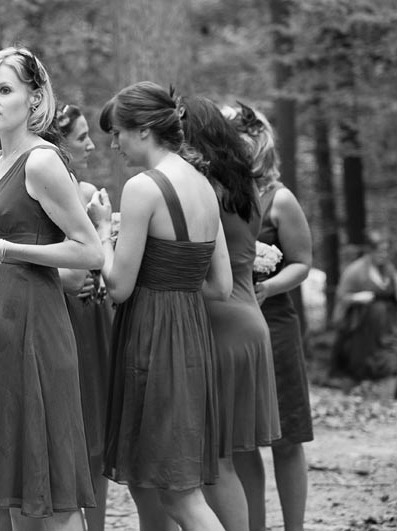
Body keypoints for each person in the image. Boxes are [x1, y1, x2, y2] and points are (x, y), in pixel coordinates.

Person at [0, 47, 103, 531]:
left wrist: (4, 250)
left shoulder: (41, 161)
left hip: (35, 332)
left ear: (34, 98)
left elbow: (90, 252)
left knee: (48, 492)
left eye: (4, 90)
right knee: (5, 491)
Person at [87, 81, 231, 531]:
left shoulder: (142, 188)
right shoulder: (203, 184)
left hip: (153, 340)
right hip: (191, 334)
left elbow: (119, 288)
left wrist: (98, 233)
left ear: (145, 130)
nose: (114, 145)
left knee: (179, 497)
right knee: (152, 484)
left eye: (120, 134)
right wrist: (173, 286)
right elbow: (220, 285)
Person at [181, 96, 281, 531]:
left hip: (217, 323)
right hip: (248, 320)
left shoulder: (205, 191)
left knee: (215, 456)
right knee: (239, 450)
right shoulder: (247, 187)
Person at [224, 102, 314, 531]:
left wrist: (270, 286)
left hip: (275, 322)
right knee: (243, 439)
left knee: (287, 437)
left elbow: (302, 262)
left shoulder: (280, 198)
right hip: (234, 325)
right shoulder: (219, 195)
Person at [57, 103, 112, 531]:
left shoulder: (89, 192)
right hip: (50, 317)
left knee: (93, 436)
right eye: (81, 137)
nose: (91, 144)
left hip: (88, 320)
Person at [332, 229, 397, 380]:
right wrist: (357, 298)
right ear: (371, 250)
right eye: (380, 251)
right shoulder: (355, 271)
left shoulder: (389, 270)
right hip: (362, 326)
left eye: (387, 251)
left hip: (387, 327)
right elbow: (342, 298)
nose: (384, 254)